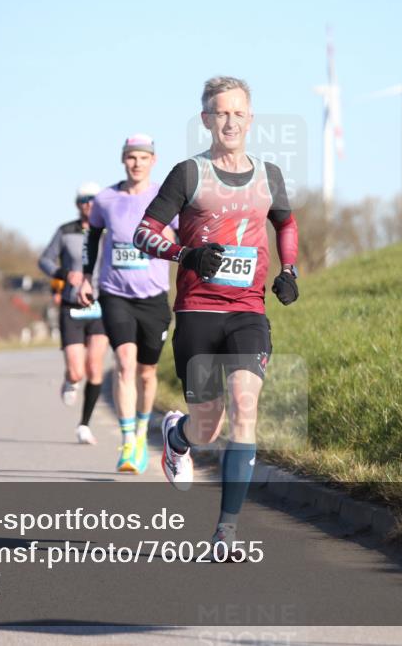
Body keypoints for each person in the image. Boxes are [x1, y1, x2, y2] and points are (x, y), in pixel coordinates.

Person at [132, 77, 299, 554]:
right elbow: (145, 233)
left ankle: (225, 531)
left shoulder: (269, 174)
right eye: (220, 113)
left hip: (248, 311)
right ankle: (178, 435)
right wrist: (187, 254)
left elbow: (285, 222)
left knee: (246, 405)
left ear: (250, 119)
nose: (230, 121)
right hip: (197, 310)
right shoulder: (189, 174)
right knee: (210, 426)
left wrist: (289, 271)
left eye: (238, 113)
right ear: (207, 119)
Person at [79, 135, 178, 474]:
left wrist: (173, 242)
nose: (136, 163)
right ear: (123, 160)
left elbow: (186, 237)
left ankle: (139, 430)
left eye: (142, 157)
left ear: (153, 160)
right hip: (114, 292)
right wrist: (83, 277)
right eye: (131, 157)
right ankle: (126, 443)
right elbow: (91, 240)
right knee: (125, 363)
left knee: (147, 374)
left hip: (153, 296)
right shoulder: (106, 199)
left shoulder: (165, 197)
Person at [38, 182, 108, 445]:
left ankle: (84, 425)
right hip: (71, 305)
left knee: (95, 366)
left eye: (93, 200)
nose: (88, 204)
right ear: (77, 204)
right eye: (83, 200)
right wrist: (64, 274)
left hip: (101, 306)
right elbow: (44, 260)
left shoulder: (107, 233)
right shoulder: (65, 231)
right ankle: (70, 381)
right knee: (78, 371)